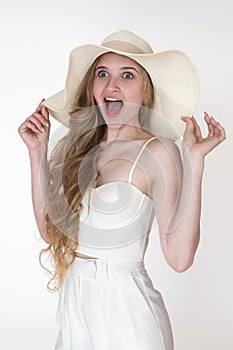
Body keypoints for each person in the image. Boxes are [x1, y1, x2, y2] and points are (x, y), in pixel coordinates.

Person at [18, 30, 226, 350]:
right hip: (75, 310)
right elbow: (51, 232)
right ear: (93, 86)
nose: (112, 85)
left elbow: (179, 258)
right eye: (103, 74)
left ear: (144, 91)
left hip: (128, 315)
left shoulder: (157, 151)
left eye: (127, 75)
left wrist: (195, 160)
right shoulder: (76, 148)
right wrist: (37, 153)